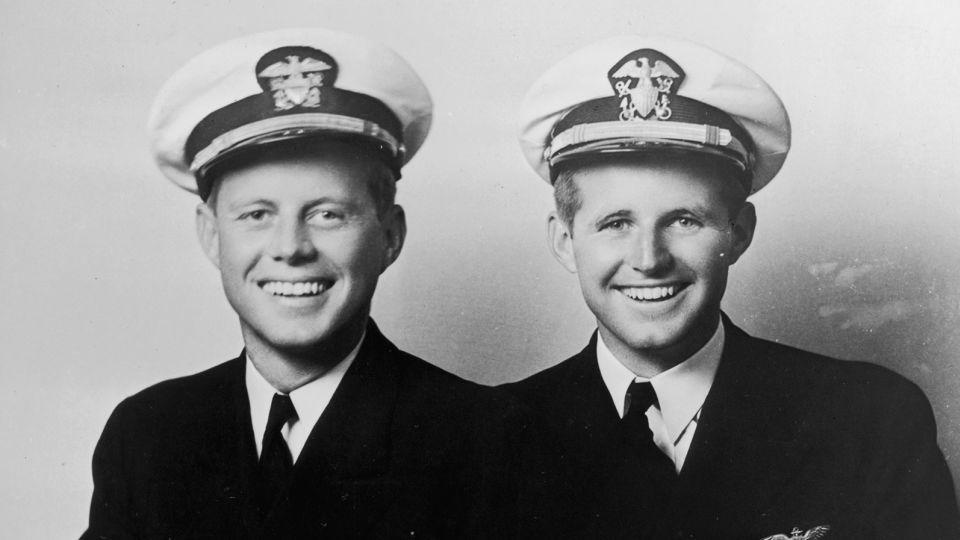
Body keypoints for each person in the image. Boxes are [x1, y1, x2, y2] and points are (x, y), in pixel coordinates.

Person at [506, 36, 960, 539]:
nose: (649, 260)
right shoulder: (492, 436)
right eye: (616, 223)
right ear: (565, 240)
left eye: (683, 220)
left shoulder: (870, 420)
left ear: (738, 232)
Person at [82, 28, 517, 539]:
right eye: (257, 214)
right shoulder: (147, 435)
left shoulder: (487, 439)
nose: (290, 247)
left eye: (328, 213)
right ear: (210, 234)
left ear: (390, 236)